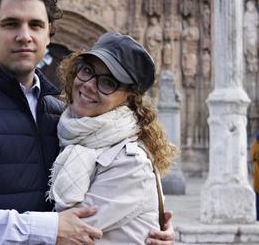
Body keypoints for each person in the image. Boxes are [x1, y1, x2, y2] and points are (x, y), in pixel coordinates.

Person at [0, 0, 175, 244]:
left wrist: (148, 225)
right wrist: (49, 228)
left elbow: (104, 202)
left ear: (49, 34)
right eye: (10, 24)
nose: (24, 36)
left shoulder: (60, 112)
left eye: (36, 25)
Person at [48, 30, 178, 243]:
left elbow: (68, 233)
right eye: (87, 70)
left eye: (108, 82)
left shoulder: (131, 162)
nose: (89, 84)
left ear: (128, 98)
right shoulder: (67, 128)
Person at [251, 132, 259, 220]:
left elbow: (252, 157)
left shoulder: (254, 146)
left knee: (258, 198)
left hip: (257, 177)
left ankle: (258, 216)